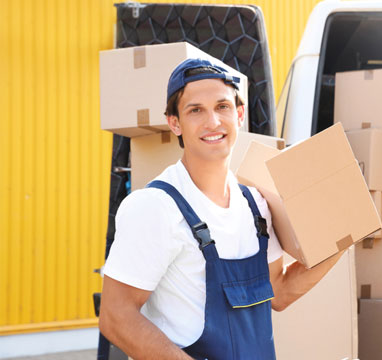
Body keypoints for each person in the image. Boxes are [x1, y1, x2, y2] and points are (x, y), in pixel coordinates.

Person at [99, 58, 344, 360]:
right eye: (195, 110)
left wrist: (342, 239)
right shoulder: (155, 207)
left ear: (239, 114)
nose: (213, 122)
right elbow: (116, 316)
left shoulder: (256, 207)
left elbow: (278, 293)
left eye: (222, 107)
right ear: (174, 122)